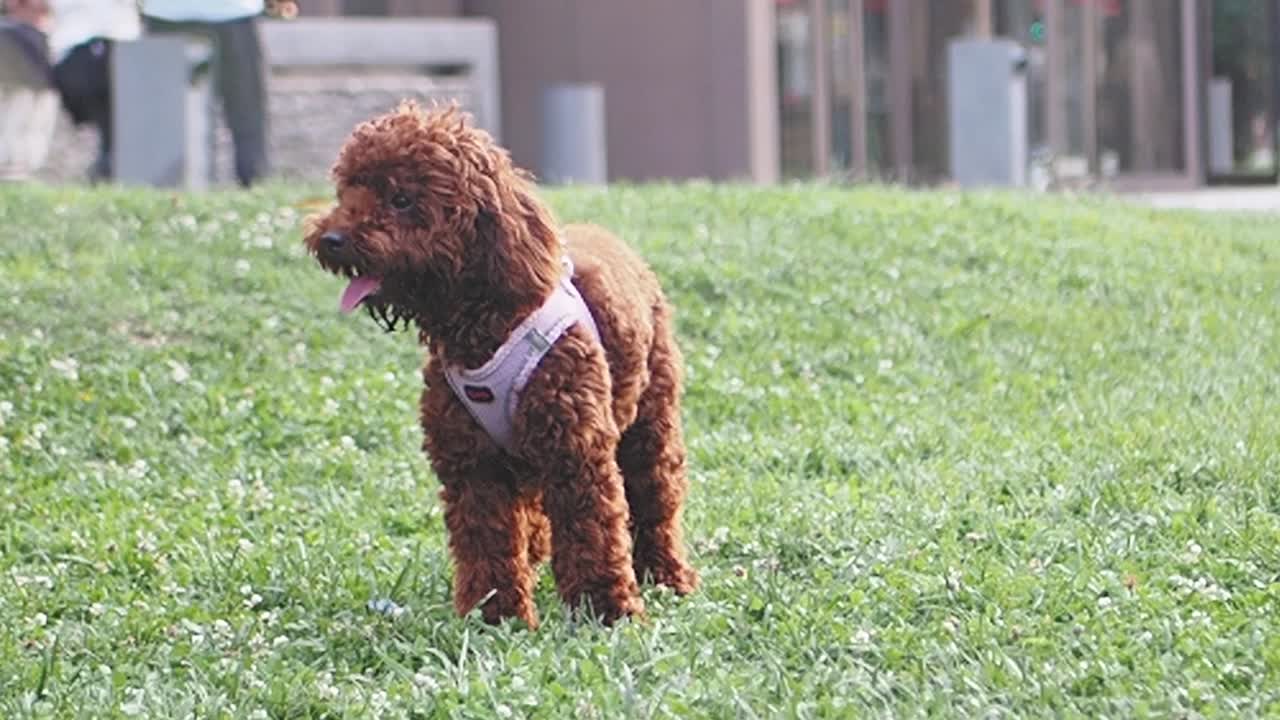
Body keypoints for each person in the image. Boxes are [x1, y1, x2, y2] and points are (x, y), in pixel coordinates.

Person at [140, 0, 270, 187]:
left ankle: (253, 181)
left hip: (223, 12)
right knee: (244, 110)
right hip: (173, 12)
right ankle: (253, 183)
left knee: (245, 110)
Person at [45, 0, 141, 182]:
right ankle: (106, 166)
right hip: (86, 55)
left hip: (97, 55)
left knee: (110, 129)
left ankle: (106, 166)